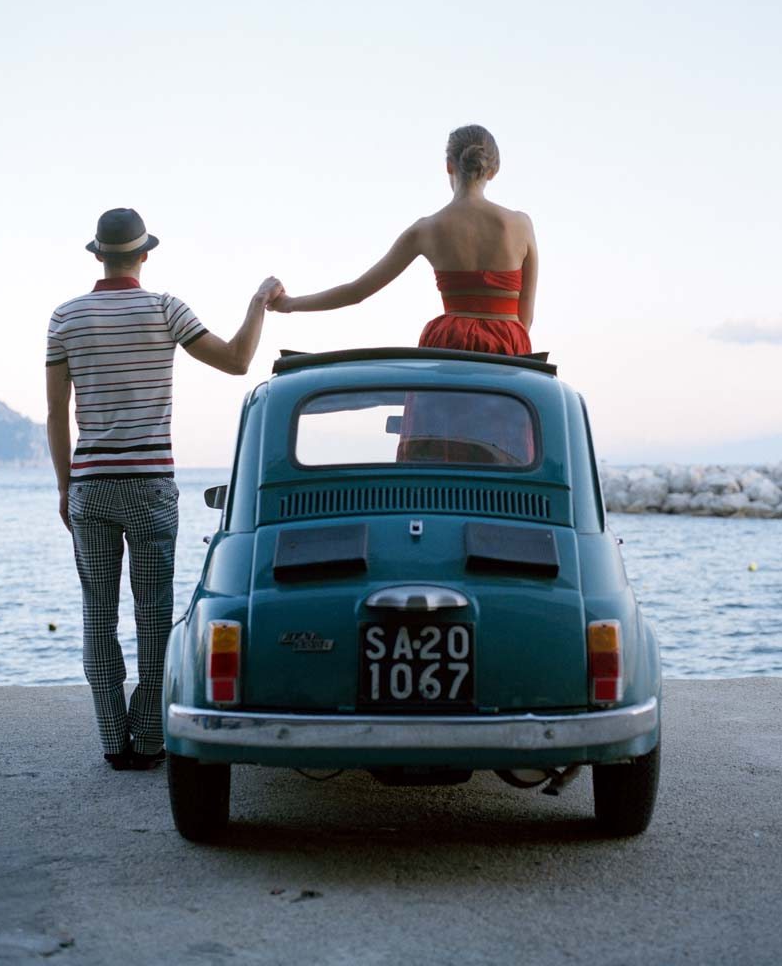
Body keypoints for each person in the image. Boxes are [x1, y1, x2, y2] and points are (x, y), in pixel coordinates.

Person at [45, 208, 281, 771]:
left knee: (97, 614)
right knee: (155, 616)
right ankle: (150, 740)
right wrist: (256, 306)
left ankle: (112, 739)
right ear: (144, 254)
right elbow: (237, 360)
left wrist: (64, 487)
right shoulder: (164, 308)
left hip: (92, 488)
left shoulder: (66, 317)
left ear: (98, 254)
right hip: (151, 486)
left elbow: (57, 413)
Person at [269, 124, 537, 356]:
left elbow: (357, 292)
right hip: (507, 347)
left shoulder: (425, 230)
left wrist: (289, 304)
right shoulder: (521, 225)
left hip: (449, 346)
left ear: (448, 166)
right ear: (493, 170)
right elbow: (525, 319)